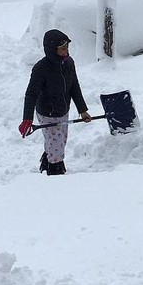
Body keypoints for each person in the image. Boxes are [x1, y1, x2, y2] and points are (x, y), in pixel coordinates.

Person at [19, 29, 92, 175]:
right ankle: (55, 171)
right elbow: (31, 94)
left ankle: (48, 160)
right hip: (47, 111)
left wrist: (82, 110)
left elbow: (74, 87)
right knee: (56, 145)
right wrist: (27, 118)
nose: (66, 51)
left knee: (59, 141)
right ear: (52, 50)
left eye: (67, 47)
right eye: (62, 48)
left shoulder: (69, 63)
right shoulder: (41, 69)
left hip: (63, 109)